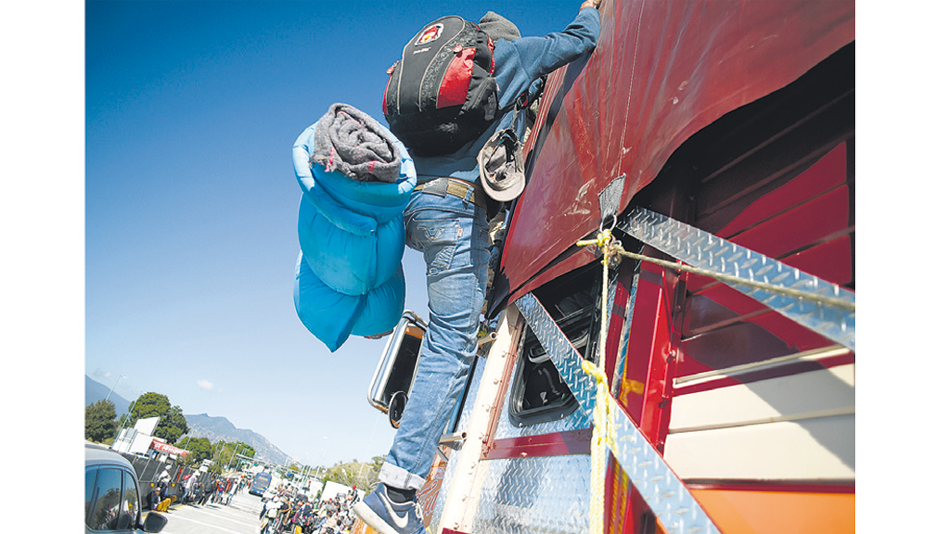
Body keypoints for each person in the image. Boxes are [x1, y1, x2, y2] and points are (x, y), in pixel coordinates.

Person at [353, 3, 601, 534]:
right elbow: (579, 39)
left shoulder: (438, 78)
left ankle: (405, 475)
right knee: (452, 340)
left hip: (411, 208)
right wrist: (589, 9)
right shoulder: (506, 56)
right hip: (454, 209)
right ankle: (397, 490)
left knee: (449, 324)